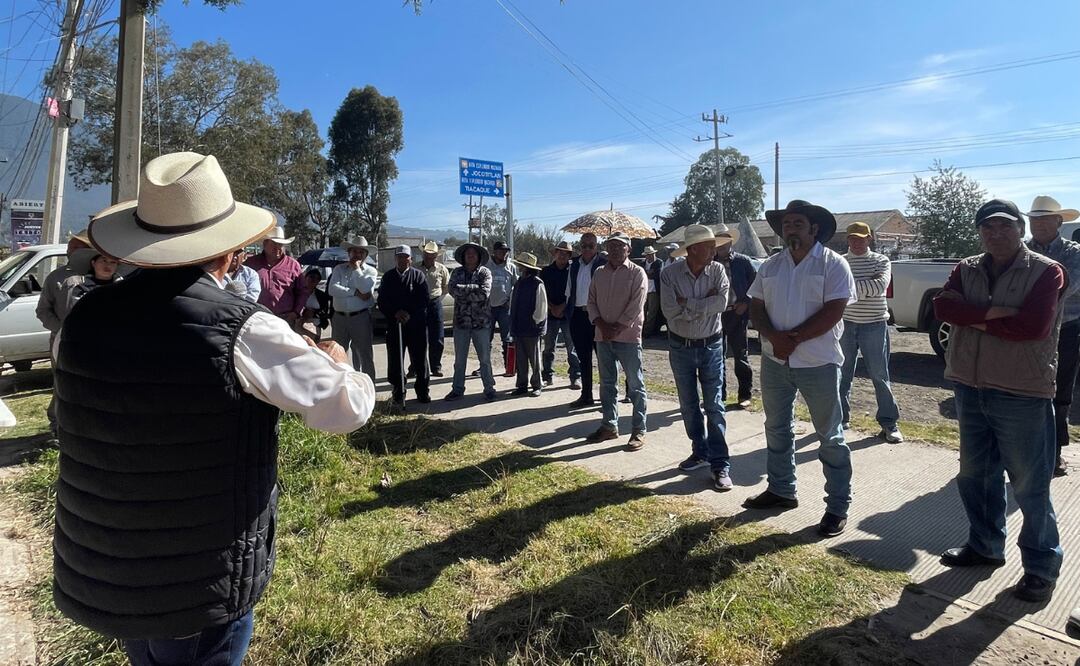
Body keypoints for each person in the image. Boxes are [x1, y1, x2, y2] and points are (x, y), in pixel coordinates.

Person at [50, 152, 375, 665]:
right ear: (226, 253)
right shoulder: (240, 326)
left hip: (110, 562)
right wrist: (338, 361)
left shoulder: (84, 316)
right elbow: (347, 408)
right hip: (198, 575)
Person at [933, 198, 1065, 604]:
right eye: (988, 227)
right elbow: (941, 307)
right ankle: (985, 547)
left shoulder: (1046, 271)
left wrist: (970, 315)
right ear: (979, 232)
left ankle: (1041, 567)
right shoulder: (966, 267)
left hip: (1021, 389)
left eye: (1005, 226)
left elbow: (1031, 326)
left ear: (1020, 229)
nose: (996, 234)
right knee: (976, 476)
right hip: (970, 387)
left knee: (1029, 484)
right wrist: (994, 313)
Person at [744, 199, 856, 538]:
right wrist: (775, 338)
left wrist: (792, 339)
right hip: (775, 361)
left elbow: (835, 310)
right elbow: (756, 306)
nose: (790, 228)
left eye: (797, 223)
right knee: (777, 429)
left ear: (814, 228)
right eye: (786, 224)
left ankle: (837, 506)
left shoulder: (833, 264)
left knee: (830, 437)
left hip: (818, 362)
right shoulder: (771, 266)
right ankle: (781, 490)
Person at [661, 225, 733, 491]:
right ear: (692, 250)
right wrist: (703, 304)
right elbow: (670, 312)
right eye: (709, 246)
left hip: (711, 345)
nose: (714, 250)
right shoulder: (669, 274)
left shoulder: (718, 270)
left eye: (715, 246)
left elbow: (722, 304)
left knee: (714, 405)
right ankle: (700, 451)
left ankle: (720, 463)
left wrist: (688, 304)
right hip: (681, 346)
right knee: (689, 404)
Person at [1025, 195, 1080, 477]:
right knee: (1026, 388)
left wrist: (1027, 299)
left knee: (1060, 391)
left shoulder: (1074, 252)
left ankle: (1055, 452)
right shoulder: (1021, 250)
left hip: (1066, 328)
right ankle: (1027, 449)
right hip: (1030, 331)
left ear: (1059, 221)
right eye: (1033, 220)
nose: (1037, 225)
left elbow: (1065, 288)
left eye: (1044, 219)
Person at [838, 222, 903, 442]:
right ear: (847, 240)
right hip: (845, 324)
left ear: (869, 239)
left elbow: (880, 286)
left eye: (861, 238)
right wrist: (858, 287)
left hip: (874, 324)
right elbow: (832, 289)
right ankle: (840, 419)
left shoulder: (881, 260)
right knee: (842, 373)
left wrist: (848, 289)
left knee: (879, 375)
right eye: (853, 238)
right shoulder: (840, 262)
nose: (857, 242)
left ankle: (889, 423)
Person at [585, 232, 648, 450]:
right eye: (611, 246)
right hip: (603, 337)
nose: (614, 250)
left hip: (628, 338)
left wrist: (618, 327)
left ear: (628, 250)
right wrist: (601, 325)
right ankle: (609, 426)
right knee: (607, 384)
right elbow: (591, 301)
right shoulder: (599, 273)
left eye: (620, 246)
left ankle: (639, 430)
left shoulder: (638, 273)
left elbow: (636, 305)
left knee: (636, 385)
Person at [35, 229, 91, 439]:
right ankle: (57, 424)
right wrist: (60, 328)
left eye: (76, 248)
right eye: (70, 247)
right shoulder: (56, 278)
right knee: (62, 382)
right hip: (62, 342)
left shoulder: (101, 274)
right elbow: (42, 311)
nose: (70, 251)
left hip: (93, 343)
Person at [377, 245, 431, 408]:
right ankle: (398, 392)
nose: (403, 259)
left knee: (420, 359)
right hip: (395, 325)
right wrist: (395, 313)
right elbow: (382, 300)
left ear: (411, 259)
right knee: (395, 360)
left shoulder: (418, 276)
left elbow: (423, 299)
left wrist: (409, 314)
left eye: (405, 257)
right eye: (399, 256)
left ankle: (422, 391)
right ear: (396, 258)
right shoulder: (388, 277)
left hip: (416, 325)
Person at [446, 243, 496, 401]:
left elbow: (484, 293)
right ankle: (457, 389)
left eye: (473, 253)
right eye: (468, 253)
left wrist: (464, 290)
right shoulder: (456, 272)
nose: (470, 255)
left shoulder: (485, 272)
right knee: (459, 360)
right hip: (461, 324)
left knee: (485, 359)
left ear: (479, 256)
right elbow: (453, 290)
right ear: (463, 256)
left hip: (481, 324)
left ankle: (489, 388)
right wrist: (473, 289)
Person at [714, 227, 755, 408]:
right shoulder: (710, 262)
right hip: (715, 314)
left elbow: (756, 285)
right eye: (717, 241)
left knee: (740, 356)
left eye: (724, 240)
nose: (721, 244)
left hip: (737, 314)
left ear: (731, 242)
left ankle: (744, 395)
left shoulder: (743, 261)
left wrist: (745, 302)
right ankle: (719, 396)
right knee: (717, 356)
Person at [328, 237, 378, 379]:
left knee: (365, 355)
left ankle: (369, 390)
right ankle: (341, 387)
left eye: (361, 252)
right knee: (337, 355)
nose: (357, 255)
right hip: (339, 318)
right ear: (349, 252)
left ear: (365, 255)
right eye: (354, 251)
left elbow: (365, 289)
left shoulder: (371, 271)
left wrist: (357, 269)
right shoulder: (339, 269)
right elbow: (332, 289)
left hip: (360, 318)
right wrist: (354, 292)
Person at [566, 232, 606, 407]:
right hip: (578, 315)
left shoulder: (604, 265)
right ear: (579, 247)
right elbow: (569, 290)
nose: (587, 249)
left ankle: (606, 397)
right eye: (584, 245)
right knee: (584, 358)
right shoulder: (574, 265)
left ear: (597, 247)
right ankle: (586, 395)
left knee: (604, 359)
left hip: (598, 317)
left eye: (591, 245)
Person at [245, 226, 309, 324]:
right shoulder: (250, 264)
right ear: (265, 244)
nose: (278, 248)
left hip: (285, 318)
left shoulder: (293, 265)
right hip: (257, 319)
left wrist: (296, 313)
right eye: (274, 244)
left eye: (281, 245)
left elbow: (303, 292)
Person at [540, 240, 581, 388]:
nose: (563, 256)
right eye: (560, 252)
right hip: (550, 314)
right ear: (555, 254)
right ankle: (547, 375)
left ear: (570, 256)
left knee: (572, 348)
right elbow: (542, 293)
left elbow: (574, 293)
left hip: (568, 314)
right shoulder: (545, 271)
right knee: (549, 347)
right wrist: (552, 308)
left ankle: (575, 376)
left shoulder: (573, 271)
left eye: (566, 253)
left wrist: (562, 307)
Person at [509, 252, 548, 397]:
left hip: (532, 328)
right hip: (519, 326)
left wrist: (535, 322)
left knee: (535, 359)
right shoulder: (519, 282)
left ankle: (537, 385)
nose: (519, 267)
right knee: (521, 359)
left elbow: (541, 307)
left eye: (521, 265)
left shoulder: (537, 283)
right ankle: (522, 385)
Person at [418, 240, 451, 377]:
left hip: (435, 302)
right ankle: (417, 365)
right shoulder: (415, 268)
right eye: (427, 255)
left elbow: (446, 286)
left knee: (437, 336)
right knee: (418, 337)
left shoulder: (441, 269)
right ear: (423, 254)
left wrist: (436, 296)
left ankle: (436, 366)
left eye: (432, 255)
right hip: (419, 304)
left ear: (436, 256)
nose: (429, 258)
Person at [487, 240, 518, 375]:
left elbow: (516, 286)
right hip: (488, 308)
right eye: (501, 251)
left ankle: (509, 366)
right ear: (494, 252)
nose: (504, 253)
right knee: (486, 339)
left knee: (507, 338)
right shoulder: (486, 265)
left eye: (506, 251)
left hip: (504, 308)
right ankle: (484, 366)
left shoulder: (511, 267)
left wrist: (510, 301)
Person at [298, 268, 331, 342]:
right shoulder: (297, 293)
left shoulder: (322, 295)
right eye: (312, 277)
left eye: (317, 278)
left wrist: (314, 313)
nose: (314, 279)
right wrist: (304, 312)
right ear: (305, 277)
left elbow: (326, 312)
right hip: (299, 325)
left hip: (315, 327)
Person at [641, 245, 663, 337]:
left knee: (652, 313)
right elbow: (641, 275)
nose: (650, 256)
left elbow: (657, 275)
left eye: (651, 254)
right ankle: (642, 330)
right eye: (648, 254)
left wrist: (647, 273)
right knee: (642, 311)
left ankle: (647, 332)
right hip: (643, 291)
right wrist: (649, 272)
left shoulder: (659, 262)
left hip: (654, 291)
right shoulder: (642, 263)